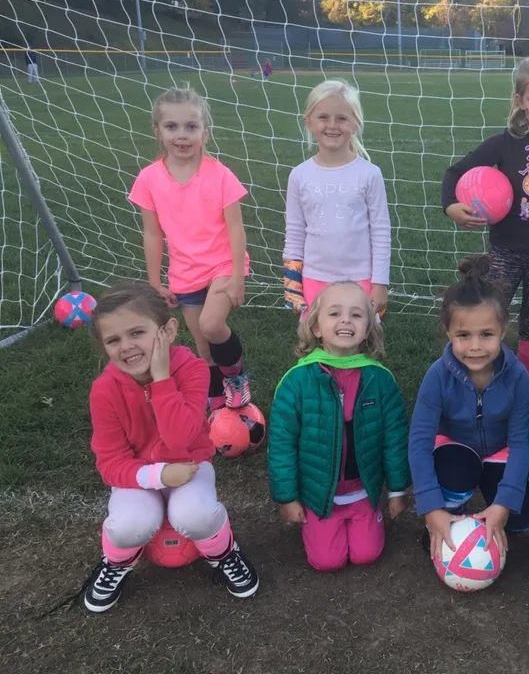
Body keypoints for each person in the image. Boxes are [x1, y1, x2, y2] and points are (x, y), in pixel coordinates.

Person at [80, 283, 259, 613]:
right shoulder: (104, 390)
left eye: (137, 332)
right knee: (129, 526)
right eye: (114, 340)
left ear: (168, 330)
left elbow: (180, 439)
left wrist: (162, 379)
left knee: (196, 515)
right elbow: (110, 464)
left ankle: (223, 553)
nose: (127, 347)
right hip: (138, 476)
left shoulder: (190, 369)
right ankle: (117, 562)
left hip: (190, 465)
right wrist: (159, 474)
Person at [441, 56, 529, 392]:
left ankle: (528, 391)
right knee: (488, 318)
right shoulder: (503, 143)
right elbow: (455, 172)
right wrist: (452, 207)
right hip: (505, 251)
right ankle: (480, 383)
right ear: (520, 102)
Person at [269, 281, 410, 572]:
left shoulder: (380, 380)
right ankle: (318, 522)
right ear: (316, 327)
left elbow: (395, 439)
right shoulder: (296, 382)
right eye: (334, 313)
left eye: (357, 315)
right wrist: (287, 497)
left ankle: (368, 517)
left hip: (363, 492)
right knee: (326, 561)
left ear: (369, 328)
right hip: (320, 497)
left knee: (366, 555)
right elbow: (282, 445)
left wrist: (397, 490)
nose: (346, 320)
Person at [408, 255, 529, 561]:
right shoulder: (437, 376)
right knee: (455, 474)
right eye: (464, 335)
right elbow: (419, 443)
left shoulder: (517, 376)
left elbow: (520, 443)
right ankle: (450, 516)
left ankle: (494, 503)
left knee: (523, 518)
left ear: (503, 330)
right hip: (455, 449)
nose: (476, 346)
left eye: (486, 335)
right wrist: (430, 507)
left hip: (499, 451)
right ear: (447, 332)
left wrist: (504, 503)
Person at [128, 87, 251, 411]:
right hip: (185, 272)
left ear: (205, 132)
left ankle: (236, 378)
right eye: (172, 127)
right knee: (202, 343)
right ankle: (217, 397)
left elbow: (236, 227)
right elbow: (152, 235)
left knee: (212, 325)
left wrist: (237, 275)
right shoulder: (149, 179)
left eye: (191, 127)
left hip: (222, 264)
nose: (182, 135)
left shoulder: (220, 175)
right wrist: (155, 283)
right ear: (157, 131)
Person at [283, 80, 390, 316]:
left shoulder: (370, 174)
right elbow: (294, 231)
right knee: (317, 339)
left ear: (356, 123)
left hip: (360, 278)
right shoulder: (299, 175)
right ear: (308, 122)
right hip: (314, 277)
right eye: (323, 117)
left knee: (358, 339)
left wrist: (380, 283)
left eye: (342, 118)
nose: (332, 126)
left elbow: (381, 231)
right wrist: (292, 282)